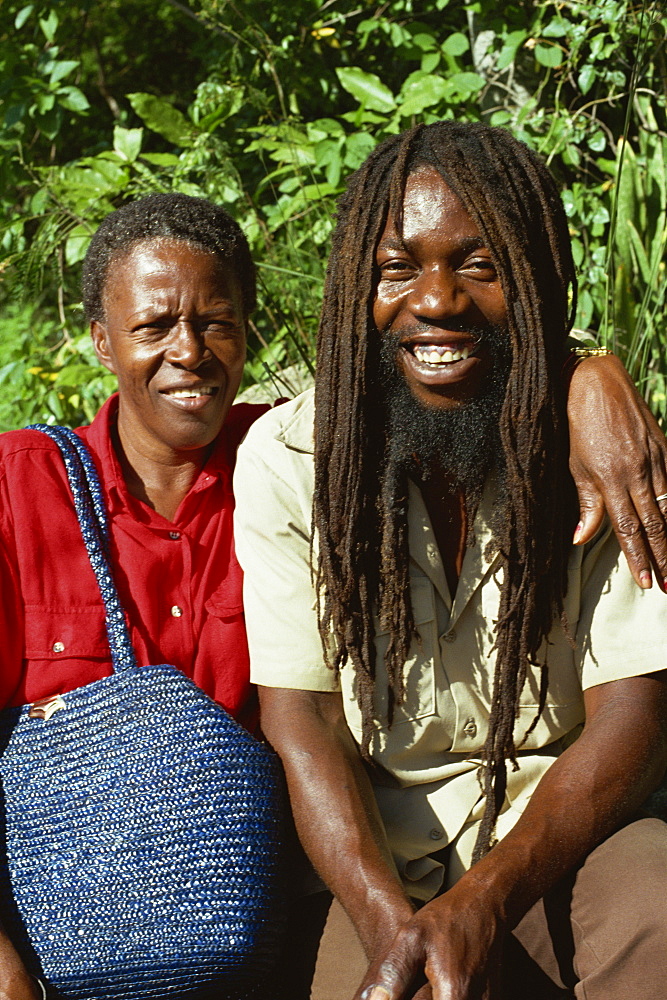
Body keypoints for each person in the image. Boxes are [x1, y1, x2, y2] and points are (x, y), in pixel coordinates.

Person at [233, 121, 667, 1000]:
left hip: (568, 837)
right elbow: (303, 725)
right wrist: (393, 929)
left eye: (480, 265)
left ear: (534, 280)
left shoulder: (600, 450)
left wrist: (482, 903)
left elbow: (633, 711)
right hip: (380, 863)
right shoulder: (291, 458)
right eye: (398, 268)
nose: (436, 301)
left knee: (657, 911)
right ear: (359, 286)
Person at [0, 192, 272, 998]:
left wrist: (590, 382)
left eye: (215, 322)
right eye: (152, 327)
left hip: (255, 923)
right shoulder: (22, 485)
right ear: (102, 342)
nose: (187, 351)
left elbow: (449, 399)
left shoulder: (289, 465)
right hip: (58, 949)